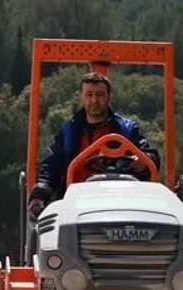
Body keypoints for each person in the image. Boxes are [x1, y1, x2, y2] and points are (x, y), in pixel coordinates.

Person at [27, 72, 161, 218]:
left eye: (100, 95)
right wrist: (39, 194)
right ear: (81, 97)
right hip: (75, 206)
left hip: (119, 204)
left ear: (109, 97)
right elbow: (51, 166)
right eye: (89, 94)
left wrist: (141, 161)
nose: (94, 100)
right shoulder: (69, 131)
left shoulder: (126, 129)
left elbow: (151, 158)